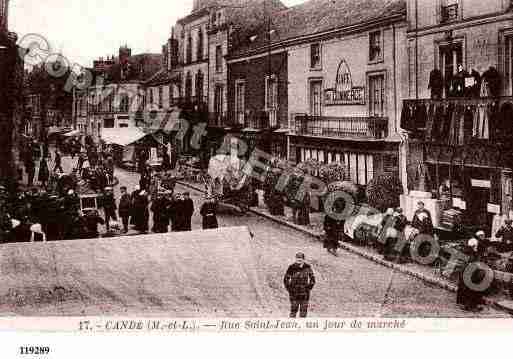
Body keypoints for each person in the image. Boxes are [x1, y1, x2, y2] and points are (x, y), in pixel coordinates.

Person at [456, 236, 487, 312]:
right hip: (469, 272)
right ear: (473, 246)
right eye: (476, 246)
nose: (476, 247)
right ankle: (470, 306)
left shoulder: (466, 251)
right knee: (471, 288)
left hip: (464, 271)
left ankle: (461, 302)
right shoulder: (472, 253)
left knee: (464, 287)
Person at [283, 252, 316, 318]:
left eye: (300, 259)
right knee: (293, 311)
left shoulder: (307, 267)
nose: (299, 261)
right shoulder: (291, 267)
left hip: (304, 294)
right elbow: (286, 279)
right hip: (294, 294)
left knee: (303, 312)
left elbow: (312, 279)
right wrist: (290, 289)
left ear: (303, 259)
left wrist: (308, 288)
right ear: (295, 259)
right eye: (298, 259)